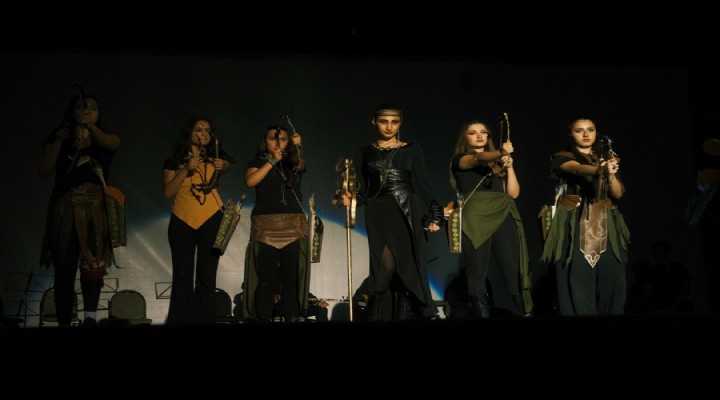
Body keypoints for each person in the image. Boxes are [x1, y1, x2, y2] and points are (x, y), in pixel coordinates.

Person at [342, 103, 444, 321]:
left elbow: (423, 183)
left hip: (405, 208)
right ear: (374, 122)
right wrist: (352, 199)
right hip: (377, 209)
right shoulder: (364, 152)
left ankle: (400, 316)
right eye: (384, 121)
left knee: (405, 265)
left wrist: (436, 213)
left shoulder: (411, 148)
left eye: (394, 122)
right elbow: (363, 189)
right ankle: (374, 313)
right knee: (384, 263)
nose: (389, 127)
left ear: (400, 123)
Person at [39, 93, 121, 326]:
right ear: (72, 111)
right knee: (64, 265)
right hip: (65, 208)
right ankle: (64, 322)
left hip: (94, 209)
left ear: (98, 113)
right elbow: (44, 170)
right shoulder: (60, 137)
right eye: (81, 108)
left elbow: (110, 143)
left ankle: (90, 319)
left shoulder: (104, 138)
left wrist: (89, 127)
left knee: (93, 266)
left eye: (92, 108)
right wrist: (58, 142)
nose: (86, 112)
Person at [541, 116, 630, 316]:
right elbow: (575, 168)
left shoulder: (605, 158)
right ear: (570, 134)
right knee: (578, 274)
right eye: (579, 130)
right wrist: (599, 169)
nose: (586, 134)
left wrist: (610, 173)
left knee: (614, 275)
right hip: (575, 218)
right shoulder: (562, 157)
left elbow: (617, 193)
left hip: (605, 219)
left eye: (590, 129)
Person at [448, 120, 533, 318]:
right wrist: (500, 152)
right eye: (473, 133)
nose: (479, 136)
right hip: (475, 216)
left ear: (488, 136)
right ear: (465, 137)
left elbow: (513, 193)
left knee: (512, 268)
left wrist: (509, 167)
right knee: (477, 270)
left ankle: (525, 314)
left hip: (503, 211)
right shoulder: (461, 159)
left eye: (483, 132)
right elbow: (477, 158)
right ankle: (483, 317)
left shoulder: (497, 162)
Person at [162, 117, 234, 325]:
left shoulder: (214, 157)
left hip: (211, 218)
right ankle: (179, 322)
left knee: (207, 275)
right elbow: (168, 192)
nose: (203, 133)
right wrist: (186, 169)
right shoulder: (174, 161)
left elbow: (226, 166)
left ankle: (204, 321)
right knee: (182, 276)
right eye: (198, 129)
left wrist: (223, 165)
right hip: (182, 219)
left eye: (207, 130)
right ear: (189, 132)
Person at [241, 123, 311, 322]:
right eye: (273, 138)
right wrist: (271, 161)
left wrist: (298, 147)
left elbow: (301, 165)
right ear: (265, 142)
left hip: (292, 224)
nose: (278, 142)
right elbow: (250, 181)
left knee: (290, 279)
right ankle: (263, 318)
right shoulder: (257, 162)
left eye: (283, 139)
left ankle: (291, 318)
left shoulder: (293, 162)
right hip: (266, 226)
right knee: (266, 280)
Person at [646, 240, 693, 314]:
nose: (655, 254)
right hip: (661, 308)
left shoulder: (679, 268)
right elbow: (648, 291)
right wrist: (651, 308)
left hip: (680, 309)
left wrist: (674, 306)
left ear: (667, 252)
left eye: (658, 251)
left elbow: (686, 289)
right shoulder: (653, 271)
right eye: (654, 252)